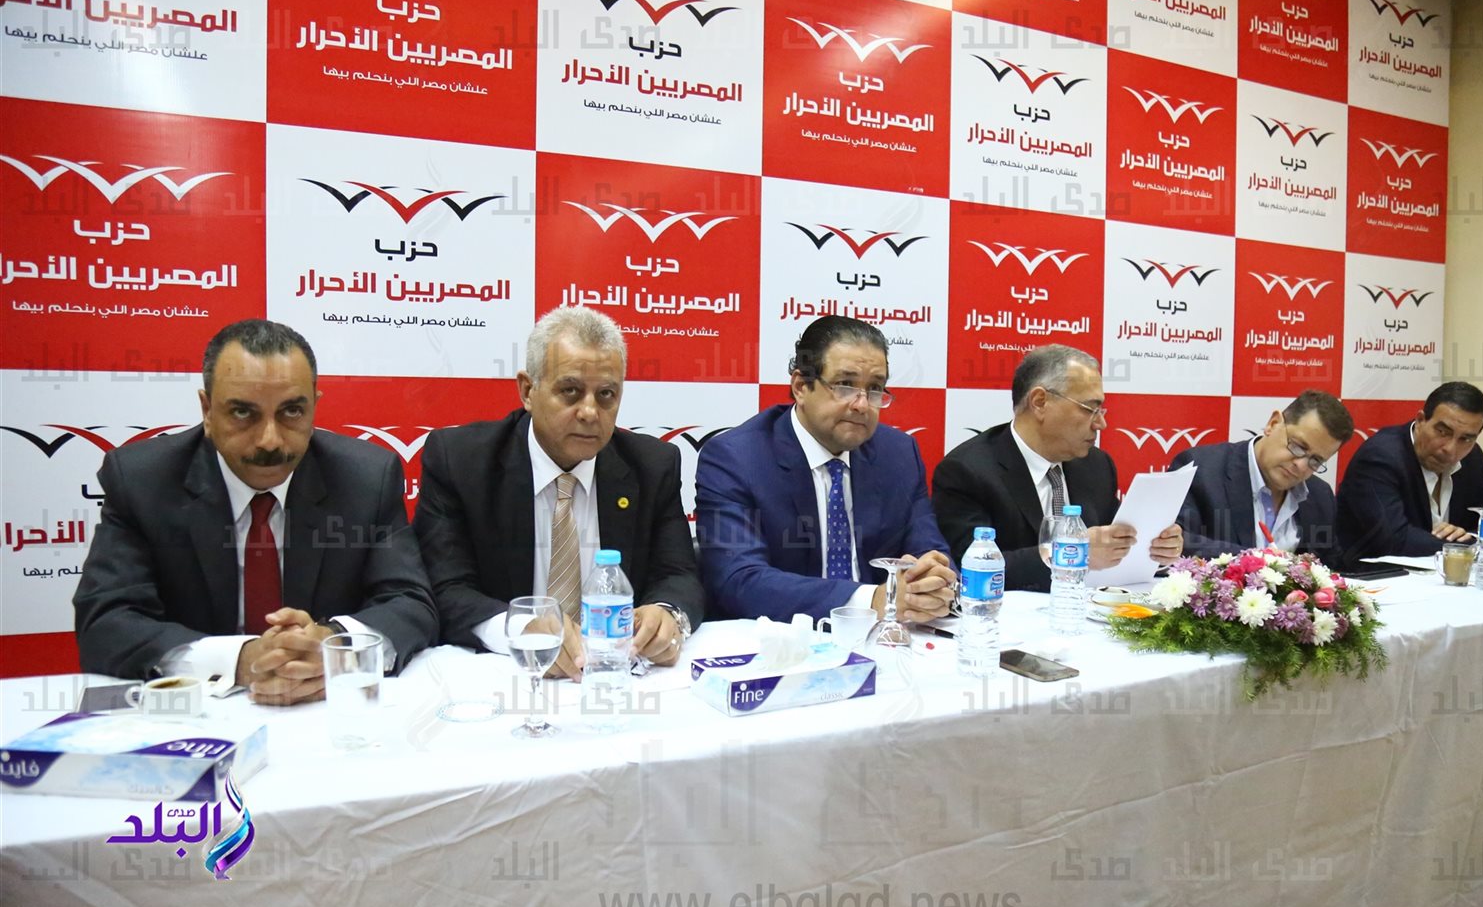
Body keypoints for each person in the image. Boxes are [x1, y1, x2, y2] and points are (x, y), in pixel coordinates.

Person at [73, 320, 437, 701]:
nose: (270, 441)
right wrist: (242, 660)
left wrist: (333, 647)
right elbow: (106, 623)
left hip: (321, 710)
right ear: (207, 410)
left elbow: (410, 603)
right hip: (197, 711)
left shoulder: (367, 478)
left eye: (292, 411)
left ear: (314, 407)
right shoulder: (142, 480)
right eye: (243, 413)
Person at [413, 307, 703, 679]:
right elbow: (444, 587)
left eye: (606, 395)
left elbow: (679, 575)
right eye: (570, 391)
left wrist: (668, 614)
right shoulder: (461, 461)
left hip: (617, 677)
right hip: (509, 676)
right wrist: (521, 628)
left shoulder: (652, 466)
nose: (589, 412)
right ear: (528, 391)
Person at [695, 316, 955, 622]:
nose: (862, 405)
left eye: (875, 388)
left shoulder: (898, 454)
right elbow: (739, 580)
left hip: (882, 638)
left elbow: (930, 549)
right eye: (845, 385)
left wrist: (933, 582)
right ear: (801, 387)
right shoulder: (735, 458)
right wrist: (871, 600)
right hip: (781, 638)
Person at [931, 345, 1183, 591]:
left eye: (1101, 410)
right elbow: (967, 569)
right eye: (1089, 409)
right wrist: (1072, 554)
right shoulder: (967, 471)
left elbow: (1112, 547)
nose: (1101, 424)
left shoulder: (1097, 465)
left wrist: (1154, 550)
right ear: (1040, 402)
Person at [1336, 381, 1483, 560]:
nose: (1450, 449)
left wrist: (1469, 537)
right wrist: (1470, 546)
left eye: (1465, 439)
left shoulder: (1471, 458)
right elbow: (1394, 539)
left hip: (1438, 574)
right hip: (1371, 575)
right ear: (1420, 420)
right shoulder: (1381, 456)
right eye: (1443, 432)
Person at [1168, 390, 1354, 561]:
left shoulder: (1320, 495)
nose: (1301, 465)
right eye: (1298, 446)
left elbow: (1332, 567)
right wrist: (1264, 560)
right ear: (1273, 424)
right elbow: (1175, 542)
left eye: (1316, 460)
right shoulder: (1201, 470)